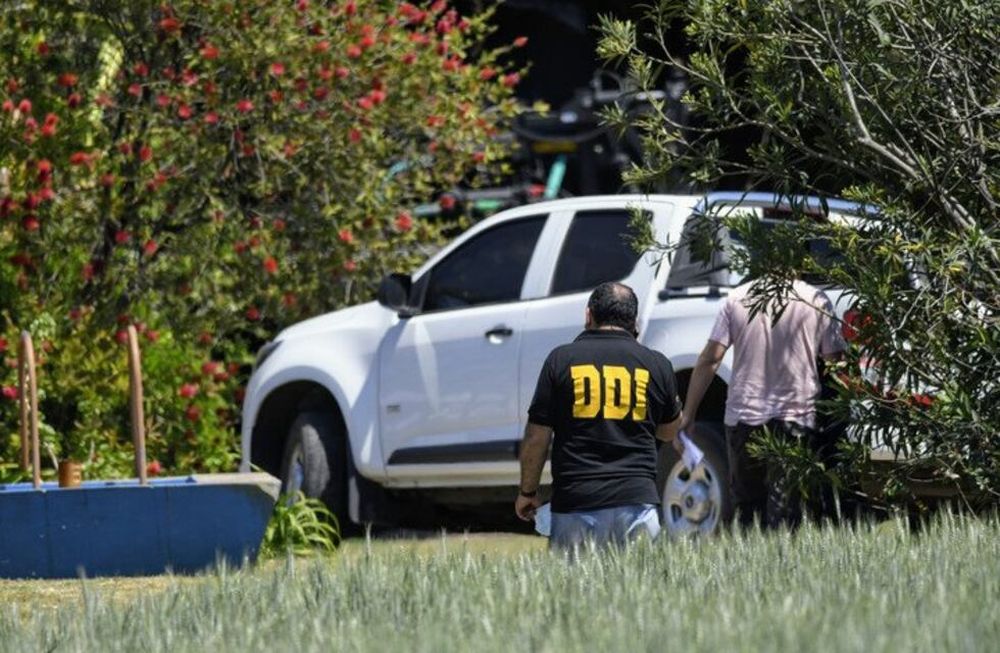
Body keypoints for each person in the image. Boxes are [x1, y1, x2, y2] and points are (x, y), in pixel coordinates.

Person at [515, 282, 683, 550]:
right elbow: (669, 431)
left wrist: (528, 492)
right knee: (640, 591)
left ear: (588, 315)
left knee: (573, 591)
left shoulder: (561, 360)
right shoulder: (657, 364)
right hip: (637, 502)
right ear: (634, 321)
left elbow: (537, 437)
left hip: (575, 503)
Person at [680, 277, 847, 529]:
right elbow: (835, 363)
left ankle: (750, 563)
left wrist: (689, 414)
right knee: (790, 509)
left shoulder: (737, 298)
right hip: (797, 419)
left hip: (743, 418)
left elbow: (710, 359)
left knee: (747, 508)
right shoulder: (816, 299)